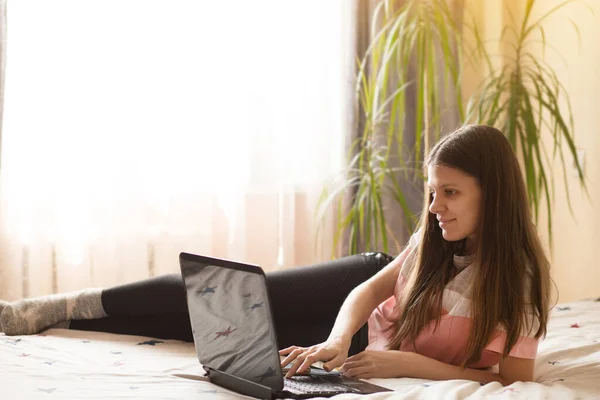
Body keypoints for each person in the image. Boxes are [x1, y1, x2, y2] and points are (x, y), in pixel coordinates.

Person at [0, 124, 552, 386]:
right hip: (349, 322)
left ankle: (69, 320)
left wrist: (411, 366)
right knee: (231, 292)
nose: (434, 206)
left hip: (370, 358)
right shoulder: (432, 239)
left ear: (493, 194)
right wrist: (337, 338)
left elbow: (514, 379)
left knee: (212, 332)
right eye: (432, 191)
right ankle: (60, 304)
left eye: (450, 193)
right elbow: (366, 291)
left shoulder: (519, 280)